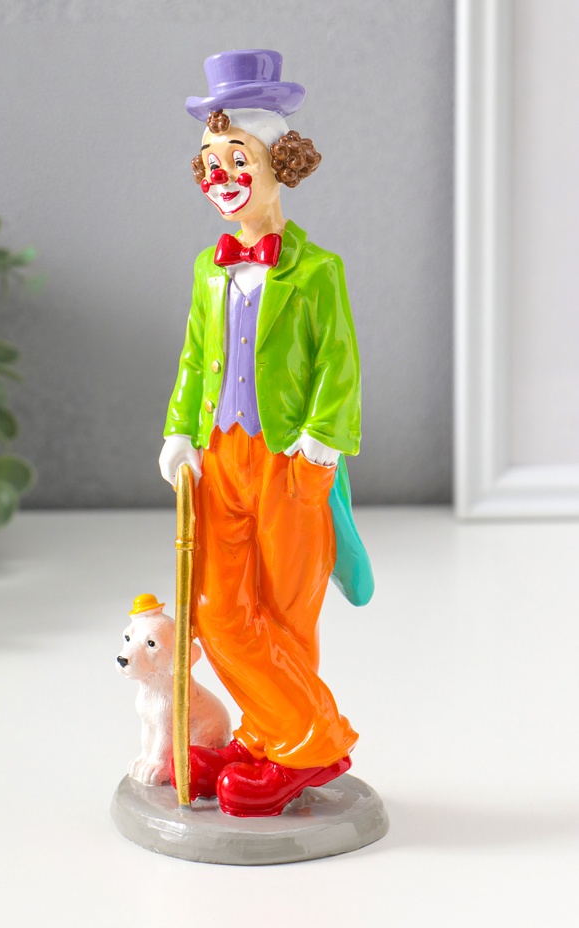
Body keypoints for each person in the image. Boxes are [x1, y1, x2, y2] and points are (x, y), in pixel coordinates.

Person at [159, 49, 374, 818]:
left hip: (290, 460)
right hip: (220, 456)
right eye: (210, 160)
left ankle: (275, 740)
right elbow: (194, 357)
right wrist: (179, 430)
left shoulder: (318, 272)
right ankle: (309, 740)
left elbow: (340, 364)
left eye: (237, 156)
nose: (221, 174)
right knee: (218, 610)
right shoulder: (207, 271)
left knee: (286, 613)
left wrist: (320, 443)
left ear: (280, 162)